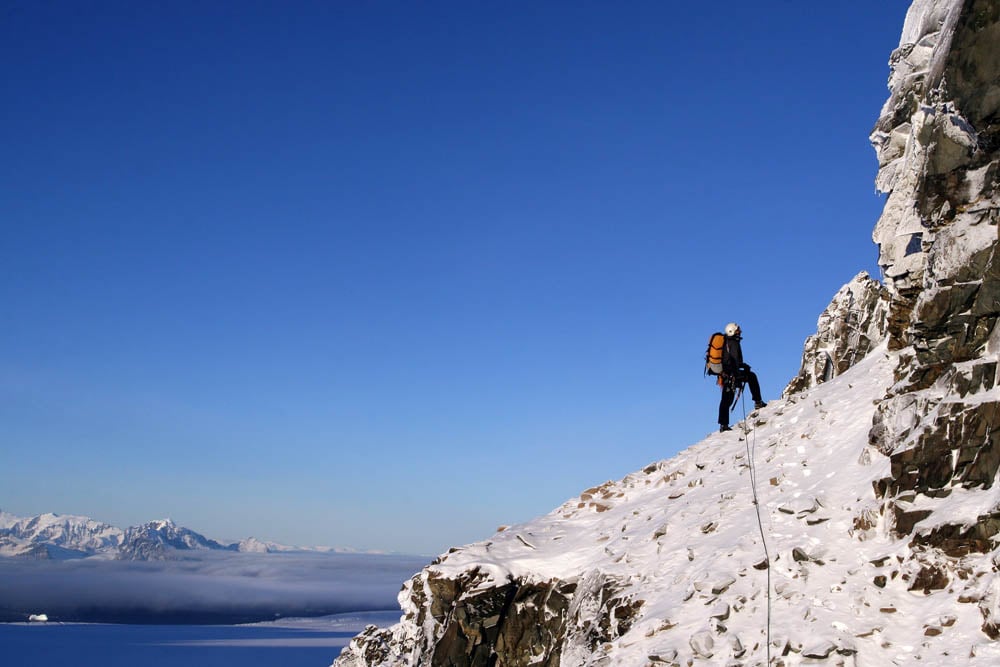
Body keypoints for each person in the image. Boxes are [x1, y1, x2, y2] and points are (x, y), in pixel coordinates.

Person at [718, 322, 766, 432]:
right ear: (733, 331)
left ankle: (723, 424)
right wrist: (740, 373)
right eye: (738, 329)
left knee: (726, 399)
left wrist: (742, 367)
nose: (740, 331)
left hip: (726, 374)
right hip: (732, 374)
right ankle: (758, 402)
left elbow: (730, 360)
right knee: (752, 377)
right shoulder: (733, 343)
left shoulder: (726, 342)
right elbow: (734, 360)